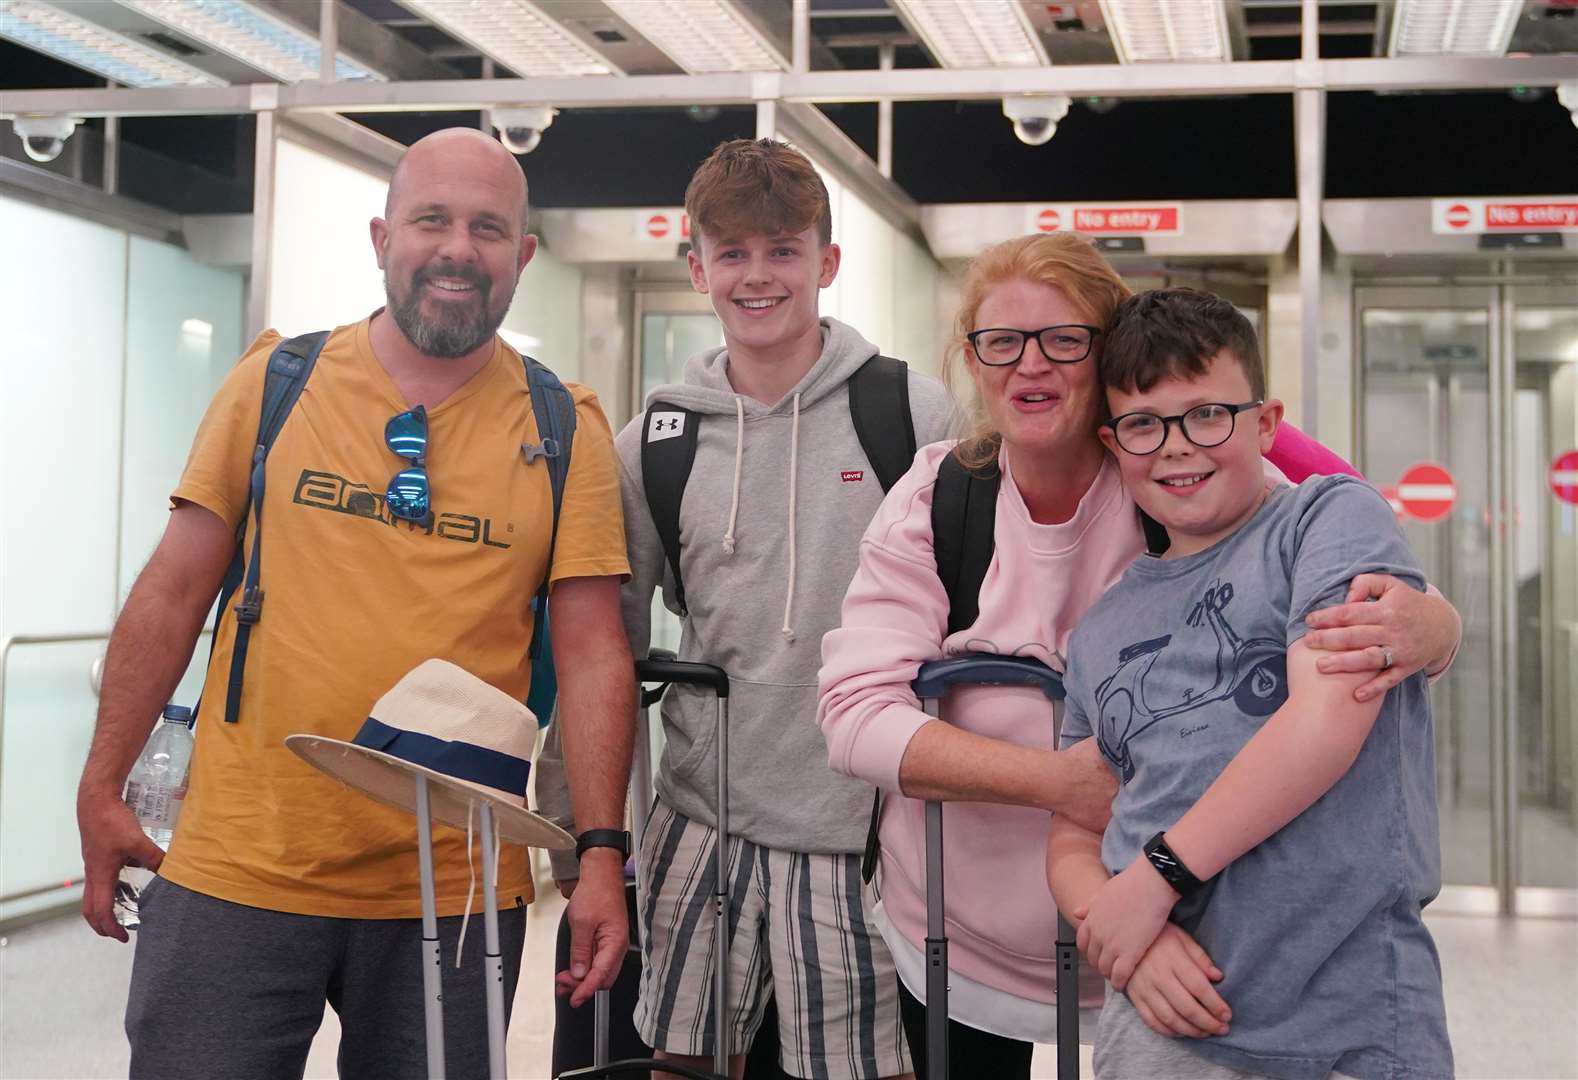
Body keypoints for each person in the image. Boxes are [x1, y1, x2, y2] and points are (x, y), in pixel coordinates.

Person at [816, 234, 1461, 1080]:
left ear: (1110, 353)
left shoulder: (1192, 477)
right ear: (972, 358)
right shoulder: (943, 500)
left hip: (1226, 955)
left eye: (1065, 339)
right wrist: (1065, 796)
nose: (1030, 365)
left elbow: (1328, 514)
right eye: (1001, 342)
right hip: (974, 931)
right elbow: (855, 718)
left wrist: (1438, 624)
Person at [75, 127, 636, 1079]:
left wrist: (601, 858)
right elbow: (172, 592)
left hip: (453, 886)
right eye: (431, 220)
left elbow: (592, 655)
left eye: (488, 227)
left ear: (524, 256)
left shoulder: (564, 428)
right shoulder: (276, 384)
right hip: (238, 866)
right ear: (382, 238)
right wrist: (101, 786)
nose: (459, 248)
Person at [542, 138, 950, 1080]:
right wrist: (582, 839)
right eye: (732, 254)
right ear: (696, 268)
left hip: (862, 835)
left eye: (782, 250)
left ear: (827, 262)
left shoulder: (911, 416)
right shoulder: (658, 444)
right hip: (699, 820)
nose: (757, 276)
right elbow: (600, 646)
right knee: (682, 1065)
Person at [1048, 287, 1453, 1079]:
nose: (1176, 447)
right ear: (1112, 440)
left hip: (1347, 1025)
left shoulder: (1328, 520)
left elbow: (1326, 721)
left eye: (1207, 415)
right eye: (1143, 424)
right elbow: (1073, 827)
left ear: (1265, 424)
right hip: (1157, 1029)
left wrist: (1156, 878)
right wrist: (1118, 919)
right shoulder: (1101, 627)